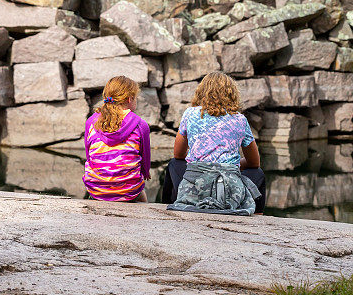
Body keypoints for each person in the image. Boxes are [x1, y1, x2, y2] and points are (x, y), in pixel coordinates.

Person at [162, 71, 266, 214]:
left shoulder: (190, 114)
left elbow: (178, 154)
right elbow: (254, 163)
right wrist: (230, 165)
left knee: (174, 163)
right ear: (232, 94)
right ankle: (259, 214)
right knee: (258, 173)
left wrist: (201, 159)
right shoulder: (240, 119)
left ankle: (169, 205)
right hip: (229, 187)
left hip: (195, 184)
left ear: (201, 92)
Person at [83, 75, 150, 202]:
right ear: (130, 99)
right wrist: (146, 173)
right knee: (142, 197)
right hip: (129, 190)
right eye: (136, 98)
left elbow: (89, 155)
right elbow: (145, 159)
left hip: (96, 188)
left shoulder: (91, 122)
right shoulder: (140, 125)